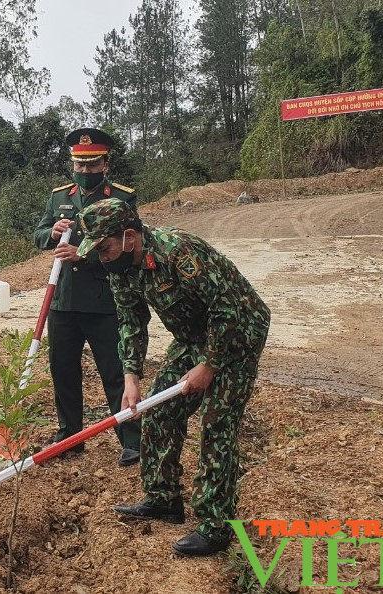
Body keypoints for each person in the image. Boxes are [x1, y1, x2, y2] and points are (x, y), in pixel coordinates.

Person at [75, 199, 271, 557]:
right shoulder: (122, 271)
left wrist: (209, 365)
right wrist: (131, 376)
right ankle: (163, 499)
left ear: (129, 236)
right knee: (160, 410)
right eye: (97, 251)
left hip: (239, 330)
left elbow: (226, 308)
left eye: (105, 248)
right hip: (194, 337)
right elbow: (132, 322)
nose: (102, 258)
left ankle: (216, 527)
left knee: (217, 423)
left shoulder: (178, 253)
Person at [32, 127, 142, 465]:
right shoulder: (58, 197)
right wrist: (50, 234)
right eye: (79, 165)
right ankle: (69, 436)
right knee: (63, 370)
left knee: (113, 370)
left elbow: (130, 241)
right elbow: (37, 234)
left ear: (105, 164)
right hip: (64, 303)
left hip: (102, 301)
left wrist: (86, 256)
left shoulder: (122, 197)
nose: (84, 172)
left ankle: (130, 440)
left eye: (91, 165)